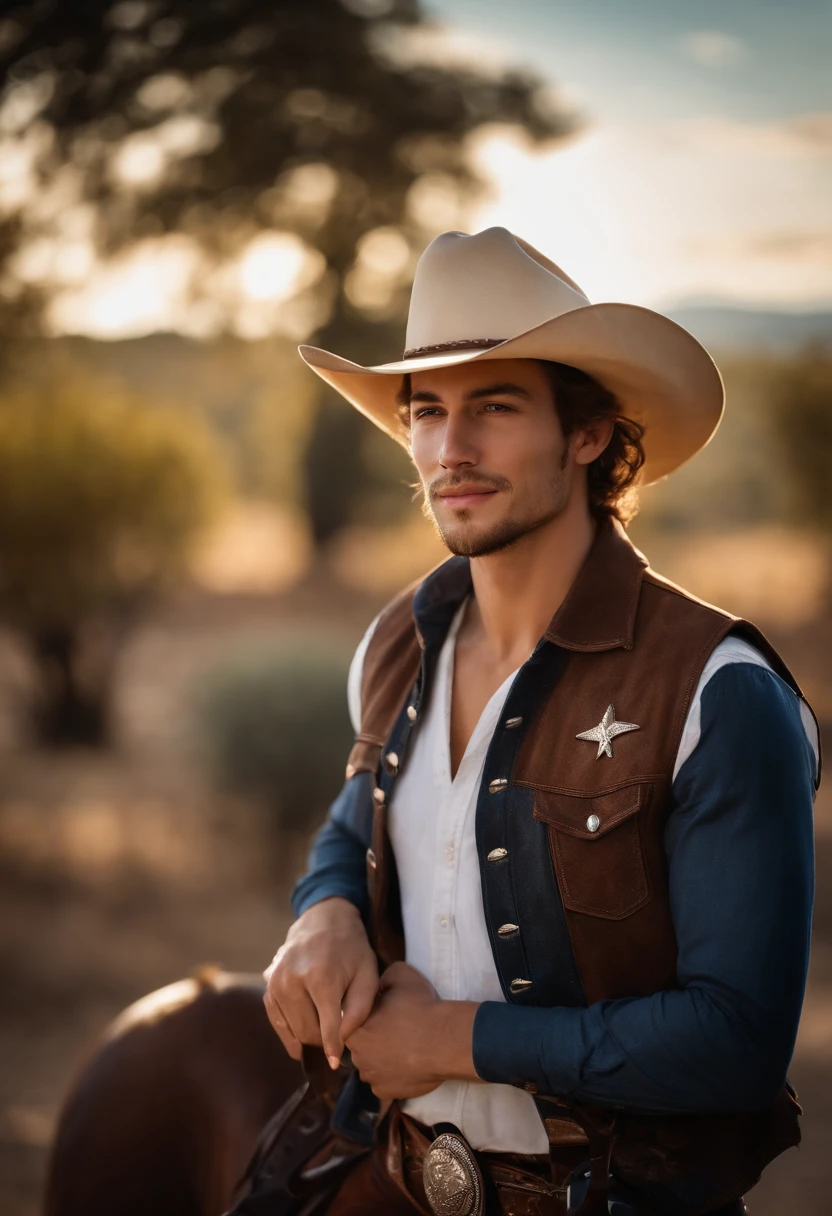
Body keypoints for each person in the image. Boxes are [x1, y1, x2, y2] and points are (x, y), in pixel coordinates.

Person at [261, 227, 819, 1216]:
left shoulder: (714, 689)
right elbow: (357, 822)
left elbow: (734, 1044)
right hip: (404, 1186)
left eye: (495, 407)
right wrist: (324, 911)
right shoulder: (398, 640)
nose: (449, 448)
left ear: (588, 433)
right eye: (425, 411)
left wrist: (450, 1039)